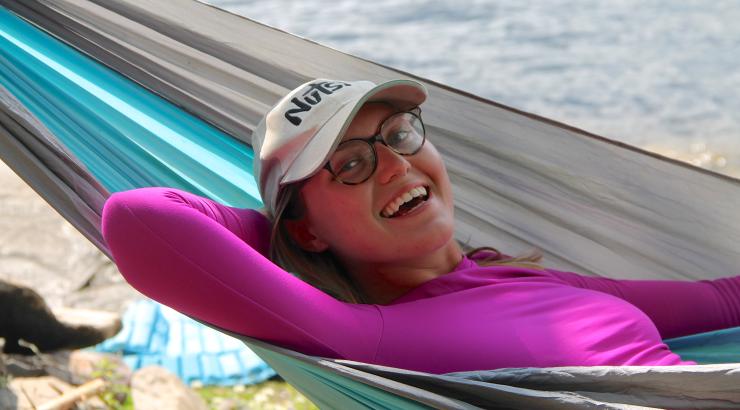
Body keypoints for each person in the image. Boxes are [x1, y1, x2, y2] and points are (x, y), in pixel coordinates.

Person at [102, 78, 740, 374]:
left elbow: (721, 300)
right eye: (350, 164)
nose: (395, 162)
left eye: (397, 134)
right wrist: (282, 228)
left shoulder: (532, 283)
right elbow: (140, 218)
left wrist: (317, 208)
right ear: (307, 232)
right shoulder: (374, 338)